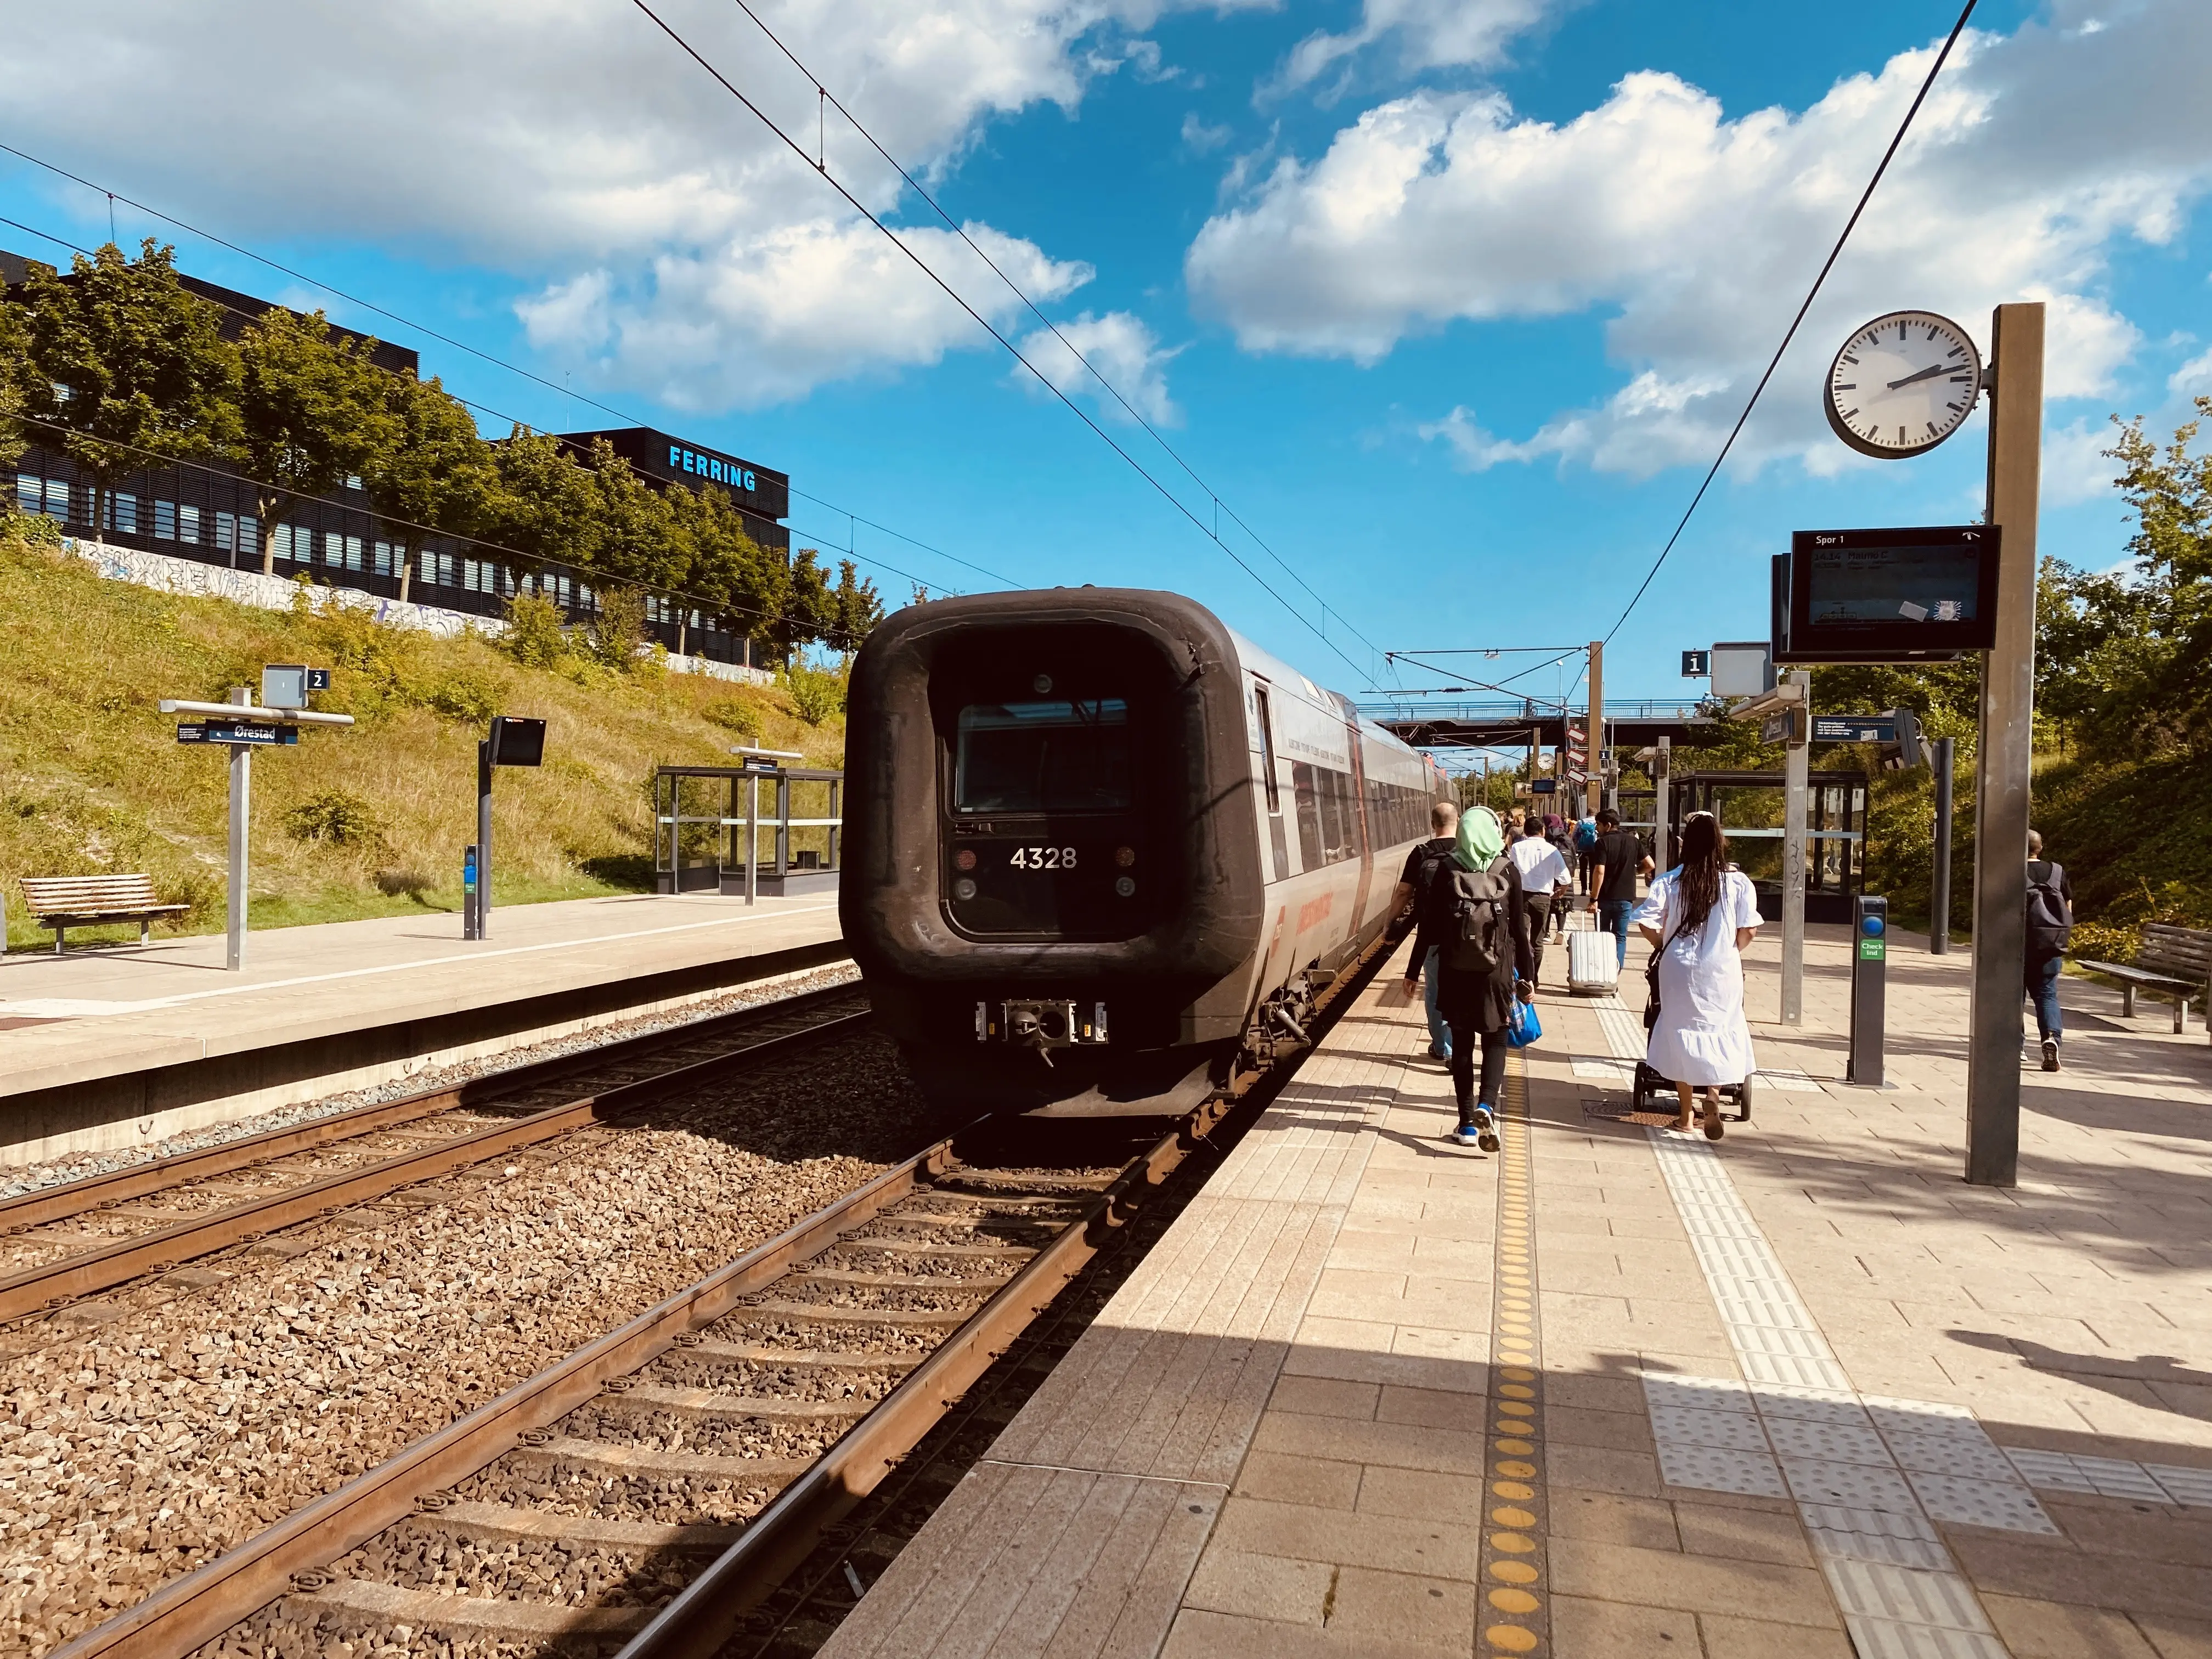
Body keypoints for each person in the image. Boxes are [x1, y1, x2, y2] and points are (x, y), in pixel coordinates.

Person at [1403, 805, 1534, 1150]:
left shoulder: (1447, 869)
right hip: (1498, 972)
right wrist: (1529, 977)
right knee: (1495, 1040)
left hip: (1455, 969)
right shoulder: (1508, 870)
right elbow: (1520, 931)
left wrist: (1413, 971)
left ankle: (1466, 1125)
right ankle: (1487, 1106)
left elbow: (1428, 926)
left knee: (1461, 1043)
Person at [1634, 812, 1762, 1139]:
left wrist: (1664, 943)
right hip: (1721, 967)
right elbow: (1749, 929)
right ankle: (1714, 1097)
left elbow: (1647, 922)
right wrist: (1731, 950)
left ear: (1685, 844)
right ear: (1720, 842)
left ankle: (1686, 1115)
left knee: (1680, 1031)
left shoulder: (1670, 881)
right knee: (1721, 1026)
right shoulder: (1737, 882)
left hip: (1678, 968)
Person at [1390, 800, 1461, 1063]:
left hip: (1432, 936)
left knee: (1435, 991)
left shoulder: (1421, 853)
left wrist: (1391, 923)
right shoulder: (1469, 851)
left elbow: (1403, 892)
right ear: (1458, 821)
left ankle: (1443, 1048)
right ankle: (1459, 1046)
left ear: (1433, 824)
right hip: (1467, 937)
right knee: (1462, 989)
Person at [2025, 829, 2074, 1072]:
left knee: (2012, 998)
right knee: (2047, 995)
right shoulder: (2057, 871)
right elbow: (2068, 906)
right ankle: (2052, 1038)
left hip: (2018, 946)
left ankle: (2015, 1046)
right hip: (2050, 945)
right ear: (2040, 848)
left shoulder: (2011, 871)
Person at [1509, 811, 1571, 989]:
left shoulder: (1517, 848)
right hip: (1543, 899)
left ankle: (1520, 974)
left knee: (1520, 938)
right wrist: (1562, 890)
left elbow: (1511, 871)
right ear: (1543, 831)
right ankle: (1533, 978)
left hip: (1521, 898)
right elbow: (1565, 877)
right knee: (1537, 940)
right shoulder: (1553, 851)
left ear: (1525, 832)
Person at [1590, 808, 1654, 971]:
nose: (1597, 828)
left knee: (1603, 936)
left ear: (1608, 825)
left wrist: (1593, 899)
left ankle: (1603, 970)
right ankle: (1616, 970)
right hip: (1626, 898)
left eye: (1598, 825)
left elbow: (1600, 871)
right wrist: (1635, 872)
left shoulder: (1602, 843)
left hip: (1605, 897)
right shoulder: (1633, 841)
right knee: (1620, 937)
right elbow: (1650, 865)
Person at [1544, 814, 1575, 940]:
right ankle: (1561, 930)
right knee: (1563, 903)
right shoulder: (1566, 838)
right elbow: (1573, 858)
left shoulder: (1544, 836)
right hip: (1564, 875)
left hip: (1548, 876)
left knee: (1547, 905)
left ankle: (1546, 933)